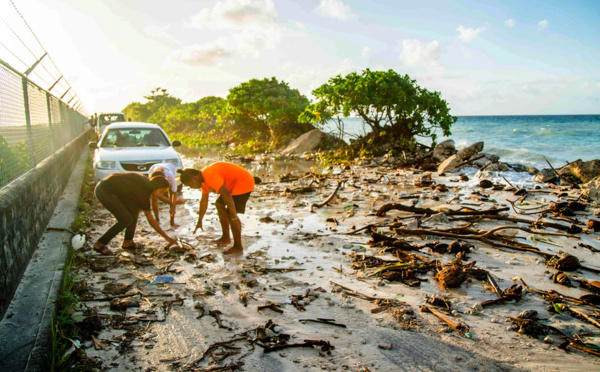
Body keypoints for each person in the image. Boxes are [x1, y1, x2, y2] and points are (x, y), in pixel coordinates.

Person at [178, 162, 254, 255]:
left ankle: (238, 247)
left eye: (190, 185)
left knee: (230, 214)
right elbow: (204, 201)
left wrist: (234, 216)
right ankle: (226, 237)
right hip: (232, 185)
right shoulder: (203, 180)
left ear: (194, 179)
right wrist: (199, 221)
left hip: (243, 182)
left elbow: (226, 194)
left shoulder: (209, 176)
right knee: (219, 204)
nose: (192, 188)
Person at [92, 172, 177, 255]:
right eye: (161, 191)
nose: (161, 195)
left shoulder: (146, 183)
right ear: (155, 187)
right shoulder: (142, 194)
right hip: (104, 191)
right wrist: (166, 237)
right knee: (125, 220)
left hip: (116, 191)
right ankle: (100, 244)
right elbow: (151, 221)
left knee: (134, 211)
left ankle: (128, 242)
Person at [148, 163, 186, 227]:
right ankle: (157, 220)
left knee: (171, 194)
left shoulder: (170, 176)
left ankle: (172, 222)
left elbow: (174, 193)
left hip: (170, 168)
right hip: (153, 168)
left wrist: (173, 206)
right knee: (154, 197)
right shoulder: (151, 176)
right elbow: (155, 197)